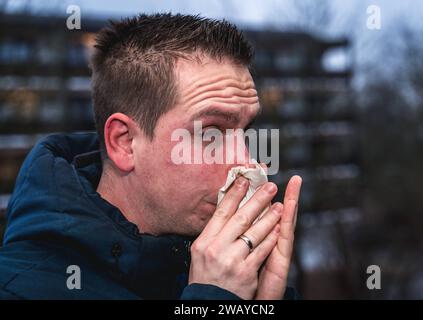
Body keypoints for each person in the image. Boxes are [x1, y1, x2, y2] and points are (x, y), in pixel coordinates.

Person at [0, 13, 302, 299]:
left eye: (246, 131)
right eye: (211, 134)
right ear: (124, 142)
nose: (246, 161)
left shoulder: (226, 271)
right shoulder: (18, 288)